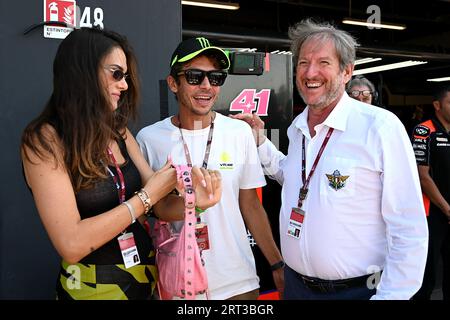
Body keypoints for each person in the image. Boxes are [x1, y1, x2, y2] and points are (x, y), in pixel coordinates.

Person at [232, 19, 428, 300]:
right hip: (297, 288)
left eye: (323, 62)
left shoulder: (380, 127)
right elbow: (295, 178)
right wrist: (260, 141)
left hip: (359, 292)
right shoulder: (298, 126)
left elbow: (408, 226)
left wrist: (391, 296)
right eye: (303, 63)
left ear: (347, 71)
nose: (311, 72)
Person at [21, 28, 221, 300]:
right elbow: (71, 243)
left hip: (146, 284)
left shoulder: (119, 131)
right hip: (91, 292)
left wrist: (196, 201)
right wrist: (146, 197)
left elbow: (159, 204)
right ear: (84, 72)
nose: (125, 85)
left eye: (125, 76)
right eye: (116, 74)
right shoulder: (44, 139)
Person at [136, 37, 284, 300]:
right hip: (177, 284)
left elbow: (250, 205)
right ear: (173, 83)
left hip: (238, 282)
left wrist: (276, 264)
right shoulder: (149, 138)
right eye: (195, 76)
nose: (206, 86)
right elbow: (149, 212)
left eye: (215, 78)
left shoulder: (239, 132)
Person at [412, 85, 450, 300]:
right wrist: (447, 209)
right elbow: (422, 177)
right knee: (427, 278)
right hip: (431, 215)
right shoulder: (423, 131)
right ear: (437, 105)